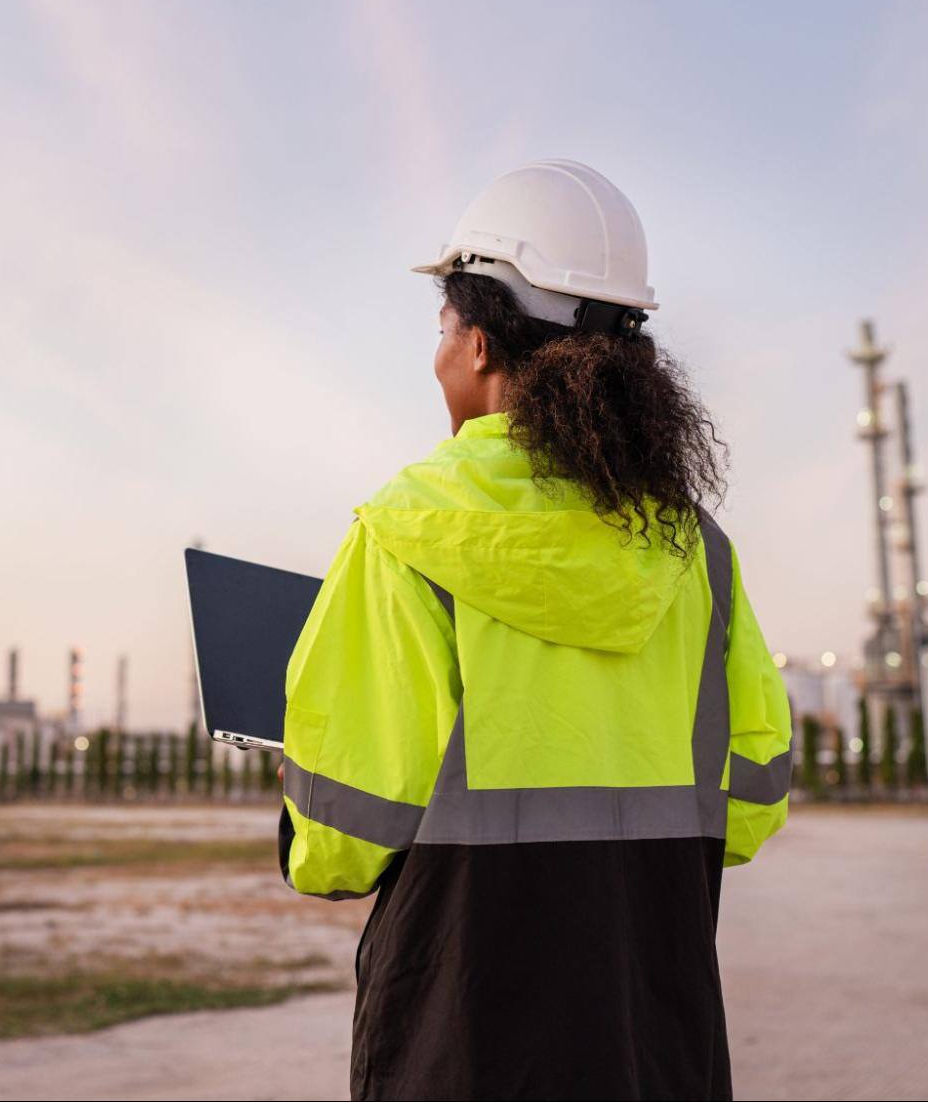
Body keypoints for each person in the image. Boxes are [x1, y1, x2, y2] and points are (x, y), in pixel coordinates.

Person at [279, 161, 791, 1101]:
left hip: (460, 1048)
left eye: (440, 327)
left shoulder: (406, 529)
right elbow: (751, 803)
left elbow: (339, 842)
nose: (436, 351)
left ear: (477, 343)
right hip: (656, 1043)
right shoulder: (697, 552)